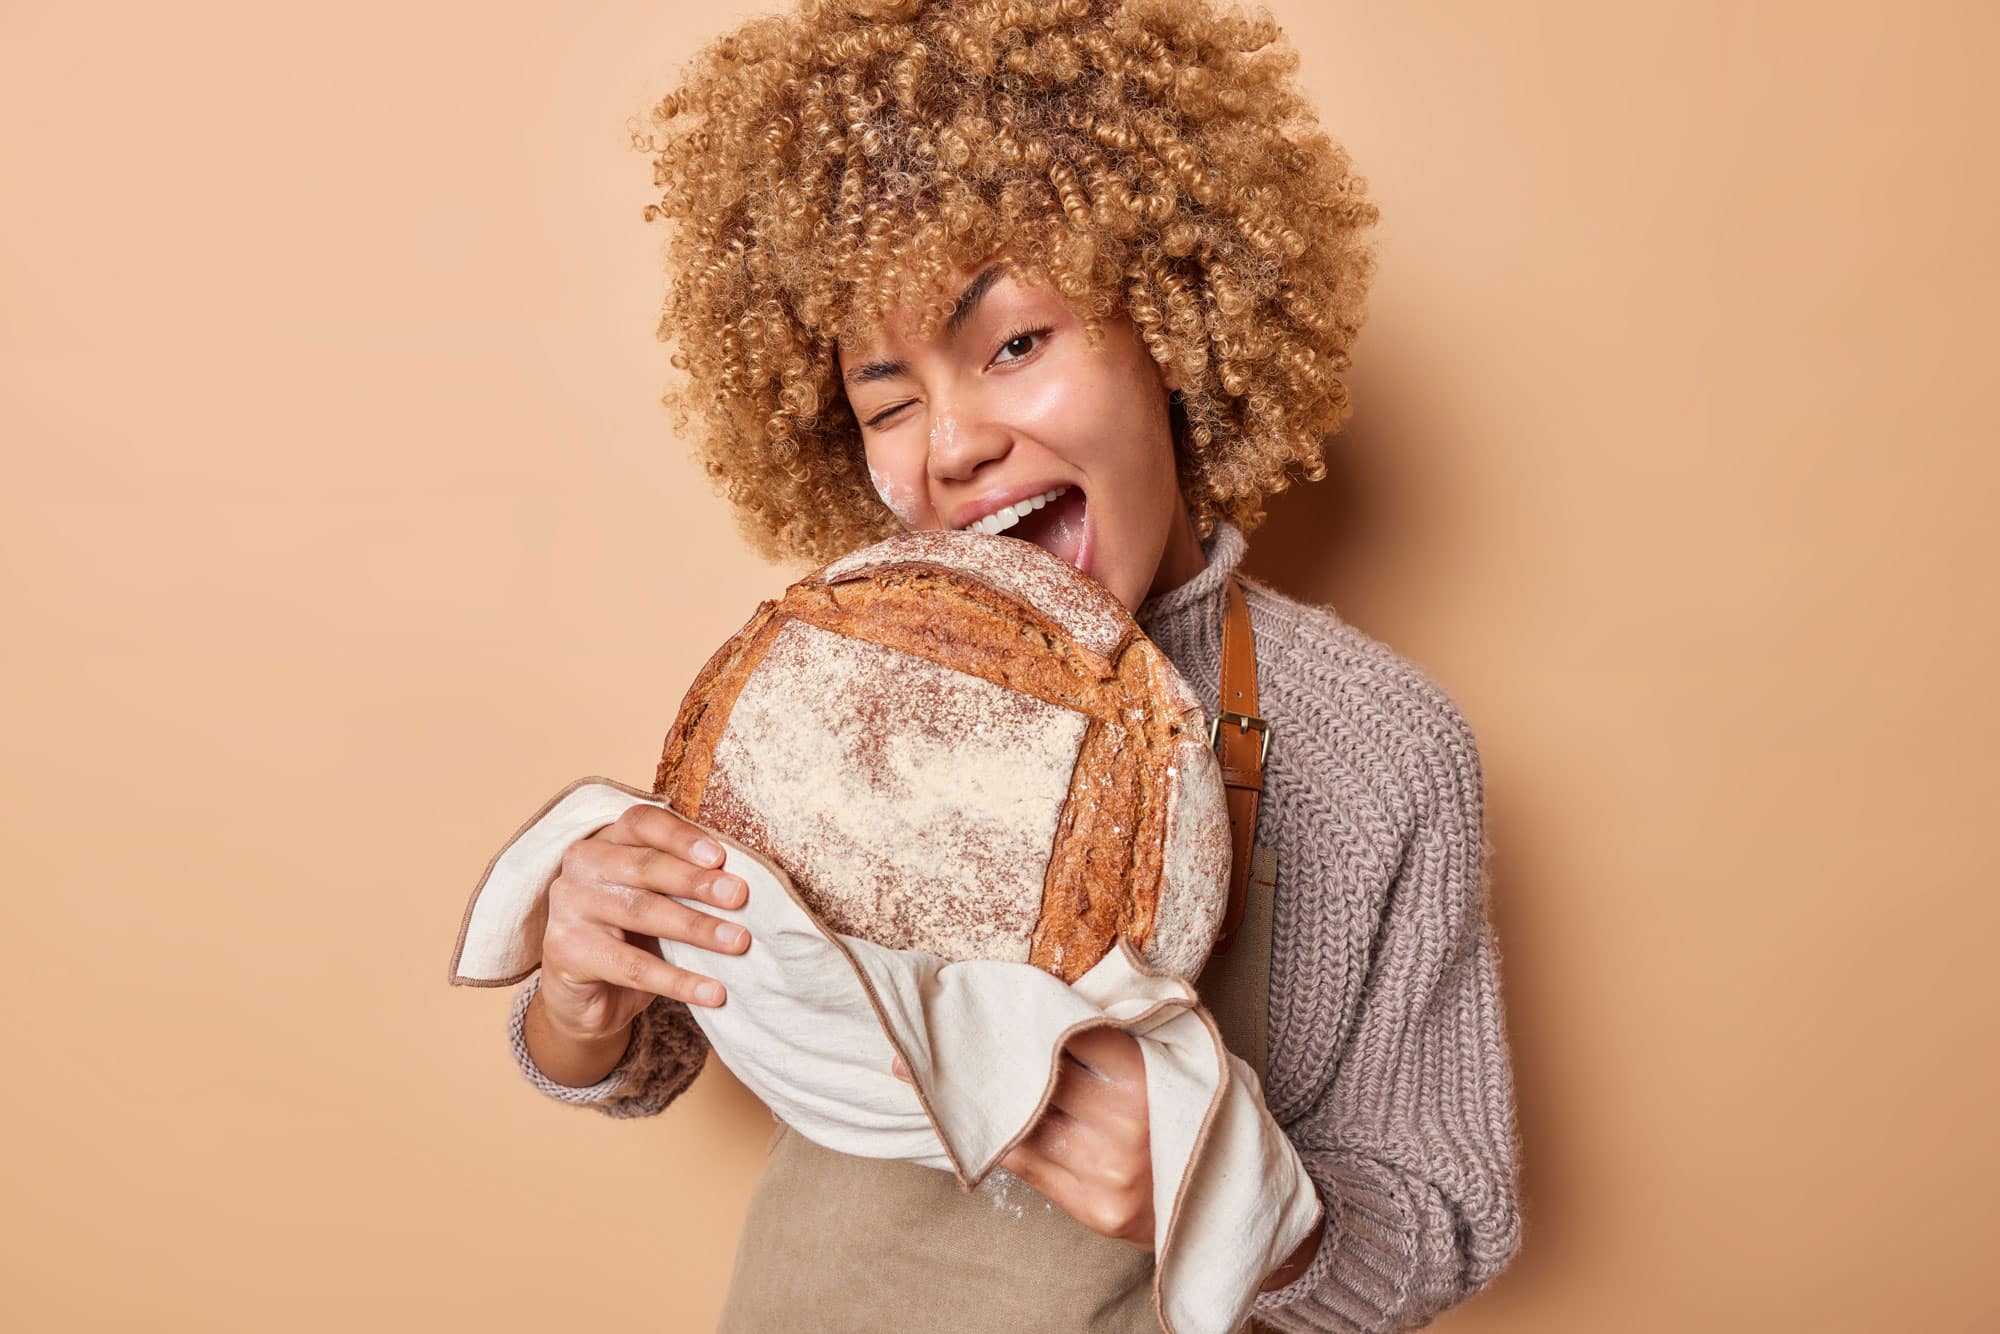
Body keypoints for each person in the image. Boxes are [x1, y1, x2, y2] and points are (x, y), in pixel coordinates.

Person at [506, 0, 1525, 1328]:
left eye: (1015, 345)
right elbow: (651, 1046)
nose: (953, 444)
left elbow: (1451, 1220)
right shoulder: (834, 683)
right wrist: (580, 993)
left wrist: (1230, 1204)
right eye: (888, 398)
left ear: (1171, 317)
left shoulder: (1376, 746)